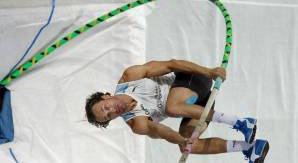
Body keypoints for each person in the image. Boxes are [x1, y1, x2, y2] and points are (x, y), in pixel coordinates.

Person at [85, 59, 269, 163]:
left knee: (171, 107)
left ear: (106, 96)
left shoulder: (130, 77)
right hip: (197, 106)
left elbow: (172, 64)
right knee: (189, 145)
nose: (111, 111)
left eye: (105, 107)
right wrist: (183, 140)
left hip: (195, 79)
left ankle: (241, 123)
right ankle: (250, 148)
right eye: (109, 116)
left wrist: (209, 72)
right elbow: (161, 131)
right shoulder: (136, 123)